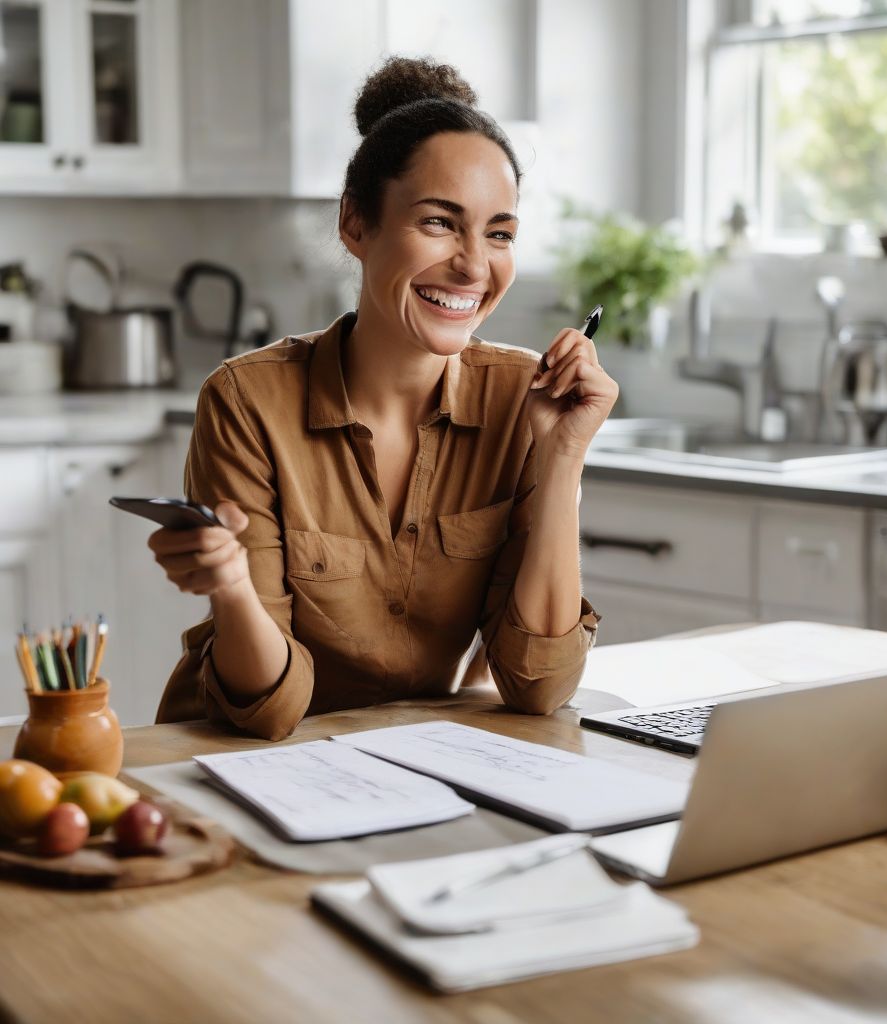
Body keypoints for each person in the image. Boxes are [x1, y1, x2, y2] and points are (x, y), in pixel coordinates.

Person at [153, 57, 617, 741]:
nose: (473, 265)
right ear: (355, 225)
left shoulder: (525, 398)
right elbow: (268, 710)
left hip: (409, 757)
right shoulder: (248, 401)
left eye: (499, 233)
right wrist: (229, 587)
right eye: (438, 223)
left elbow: (539, 685)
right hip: (231, 761)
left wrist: (562, 459)